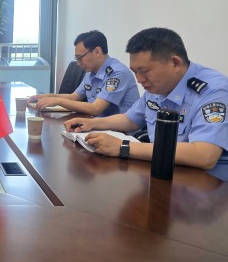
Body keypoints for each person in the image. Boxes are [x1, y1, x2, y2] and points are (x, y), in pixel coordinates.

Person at [64, 27, 228, 174]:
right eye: (135, 71)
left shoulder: (213, 91)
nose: (139, 79)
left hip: (204, 183)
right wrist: (91, 123)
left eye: (144, 71)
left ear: (175, 63)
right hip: (162, 169)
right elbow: (130, 120)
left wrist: (123, 147)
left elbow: (204, 155)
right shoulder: (158, 85)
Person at [30, 30, 139, 116]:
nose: (78, 63)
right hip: (98, 124)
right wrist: (46, 96)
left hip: (120, 132)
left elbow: (96, 108)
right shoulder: (91, 72)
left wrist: (58, 101)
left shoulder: (117, 73)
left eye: (80, 58)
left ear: (97, 52)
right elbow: (74, 97)